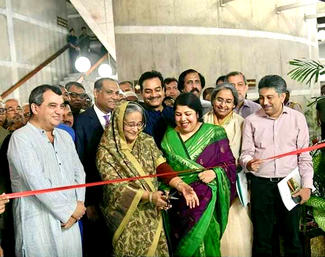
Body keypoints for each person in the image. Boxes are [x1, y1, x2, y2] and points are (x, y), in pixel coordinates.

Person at [97, 101, 198, 256]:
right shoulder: (106, 150)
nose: (136, 129)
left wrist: (181, 185)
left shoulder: (146, 140)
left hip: (152, 211)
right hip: (126, 216)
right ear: (117, 122)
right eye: (130, 124)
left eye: (139, 124)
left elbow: (161, 166)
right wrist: (149, 196)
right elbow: (115, 187)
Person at [7, 85, 86, 257]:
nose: (60, 111)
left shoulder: (65, 136)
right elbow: (36, 182)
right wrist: (68, 212)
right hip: (37, 223)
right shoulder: (21, 138)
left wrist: (77, 207)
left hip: (70, 223)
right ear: (35, 108)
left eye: (62, 105)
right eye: (52, 106)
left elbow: (79, 173)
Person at [239, 75, 314, 257]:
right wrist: (248, 162)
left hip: (290, 184)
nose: (264, 102)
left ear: (283, 96)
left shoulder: (297, 119)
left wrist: (307, 187)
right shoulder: (251, 121)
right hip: (261, 185)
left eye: (269, 97)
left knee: (292, 237)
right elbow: (245, 153)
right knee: (262, 238)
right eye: (261, 97)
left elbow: (304, 156)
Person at [161, 93, 236, 256]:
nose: (183, 119)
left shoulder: (215, 132)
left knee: (207, 243)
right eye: (178, 114)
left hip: (207, 201)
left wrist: (215, 172)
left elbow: (230, 164)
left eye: (188, 114)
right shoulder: (169, 137)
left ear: (197, 114)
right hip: (179, 204)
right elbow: (164, 170)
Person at [203, 83, 253, 256]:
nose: (223, 105)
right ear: (212, 100)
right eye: (219, 100)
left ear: (234, 105)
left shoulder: (242, 123)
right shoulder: (202, 121)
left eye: (228, 101)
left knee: (236, 238)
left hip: (234, 185)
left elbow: (245, 154)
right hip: (206, 184)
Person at [74, 78, 120, 257]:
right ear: (95, 93)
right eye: (110, 92)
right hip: (96, 196)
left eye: (117, 93)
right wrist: (88, 202)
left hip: (120, 194)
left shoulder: (121, 117)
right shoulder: (82, 121)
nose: (114, 97)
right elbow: (80, 163)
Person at [139, 70, 175, 147]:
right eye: (148, 91)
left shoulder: (175, 113)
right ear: (141, 93)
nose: (154, 95)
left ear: (163, 90)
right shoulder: (138, 117)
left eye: (157, 90)